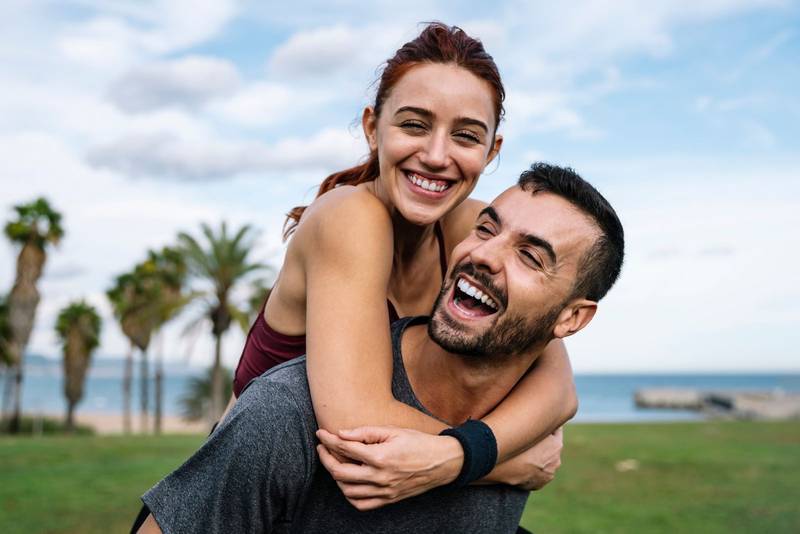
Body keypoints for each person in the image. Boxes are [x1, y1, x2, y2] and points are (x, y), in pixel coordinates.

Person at [136, 163, 625, 533]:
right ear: (374, 127)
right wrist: (478, 459)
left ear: (571, 319)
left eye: (530, 256)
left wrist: (470, 455)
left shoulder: (521, 423)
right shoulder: (285, 414)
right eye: (486, 228)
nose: (483, 253)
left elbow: (560, 391)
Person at [223, 22, 578, 504]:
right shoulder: (350, 216)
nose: (436, 155)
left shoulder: (473, 229)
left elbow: (557, 387)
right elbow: (356, 422)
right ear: (373, 128)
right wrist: (497, 461)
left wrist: (459, 455)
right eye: (414, 125)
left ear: (491, 150)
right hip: (259, 498)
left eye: (466, 136)